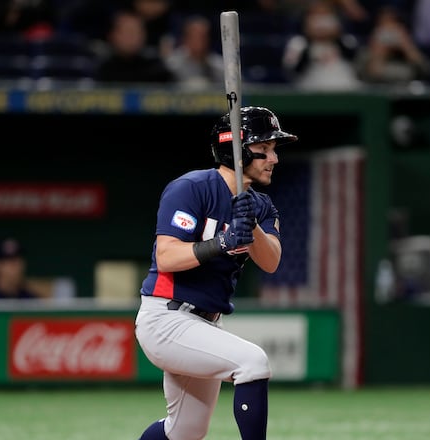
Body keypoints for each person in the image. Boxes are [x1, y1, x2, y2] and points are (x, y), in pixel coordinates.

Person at [134, 106, 298, 440]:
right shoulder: (191, 188)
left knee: (183, 433)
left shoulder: (262, 206)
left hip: (205, 322)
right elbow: (165, 257)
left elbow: (271, 261)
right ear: (235, 150)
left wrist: (250, 226)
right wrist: (221, 242)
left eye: (273, 150)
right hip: (165, 316)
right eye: (263, 149)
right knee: (253, 362)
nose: (273, 158)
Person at [95, 10, 175, 84]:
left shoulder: (157, 69)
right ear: (112, 35)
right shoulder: (100, 68)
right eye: (128, 32)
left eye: (138, 32)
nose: (134, 37)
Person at [164, 14, 225, 90]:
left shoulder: (219, 66)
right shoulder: (171, 65)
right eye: (194, 37)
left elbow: (241, 91)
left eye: (202, 37)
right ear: (185, 38)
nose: (199, 42)